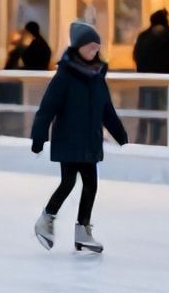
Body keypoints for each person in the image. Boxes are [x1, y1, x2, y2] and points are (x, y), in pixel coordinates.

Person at [29, 21, 128, 254]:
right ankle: (45, 220)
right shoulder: (64, 76)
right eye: (91, 46)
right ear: (79, 47)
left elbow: (106, 109)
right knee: (69, 182)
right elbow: (47, 108)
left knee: (91, 185)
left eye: (97, 46)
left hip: (90, 140)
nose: (95, 50)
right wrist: (39, 137)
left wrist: (119, 134)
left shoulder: (97, 76)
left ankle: (83, 231)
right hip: (69, 139)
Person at [132, 9, 169, 145]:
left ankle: (141, 138)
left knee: (145, 109)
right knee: (162, 109)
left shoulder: (143, 36)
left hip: (145, 79)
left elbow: (136, 55)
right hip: (165, 80)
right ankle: (157, 139)